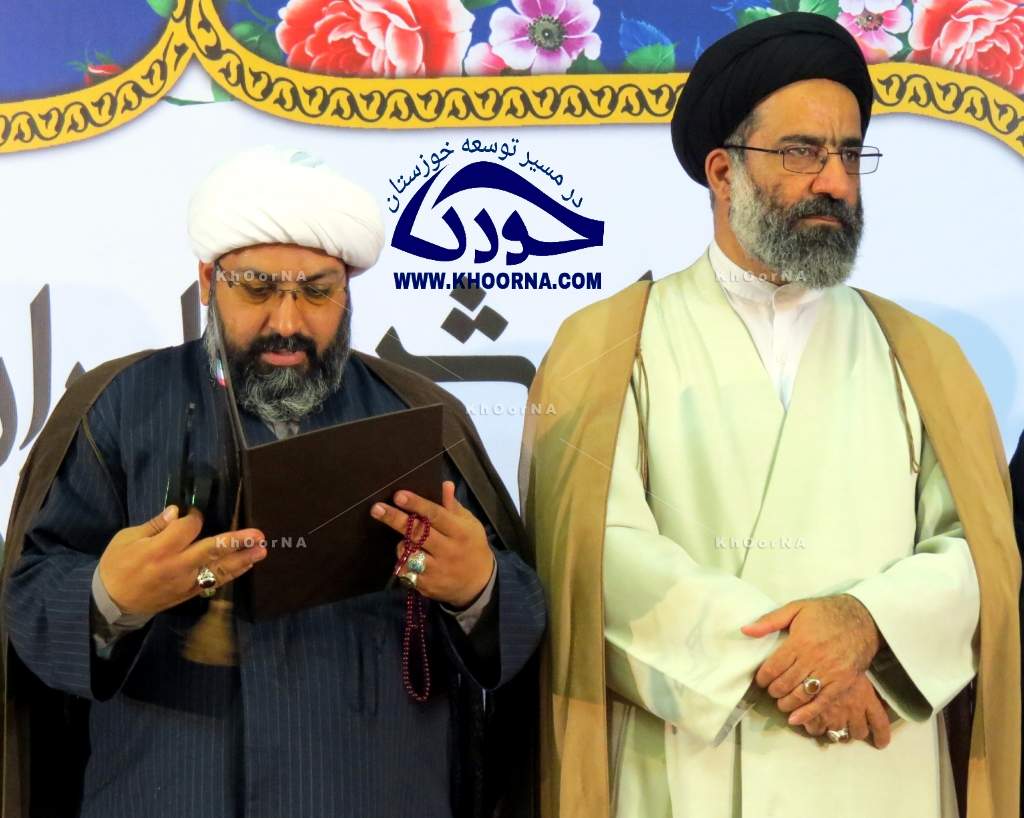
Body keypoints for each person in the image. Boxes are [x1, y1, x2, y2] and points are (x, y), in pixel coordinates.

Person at [519, 12, 1019, 818]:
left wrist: (866, 625)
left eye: (850, 154)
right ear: (723, 172)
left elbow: (978, 554)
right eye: (801, 152)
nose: (835, 182)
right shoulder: (607, 346)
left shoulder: (924, 356)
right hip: (690, 760)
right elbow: (593, 560)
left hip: (876, 758)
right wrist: (802, 667)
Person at [0, 146, 545, 818]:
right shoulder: (118, 406)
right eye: (257, 288)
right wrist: (110, 597)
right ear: (208, 280)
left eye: (317, 291)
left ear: (348, 288)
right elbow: (30, 597)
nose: (287, 322)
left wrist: (478, 588)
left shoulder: (418, 413)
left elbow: (524, 626)